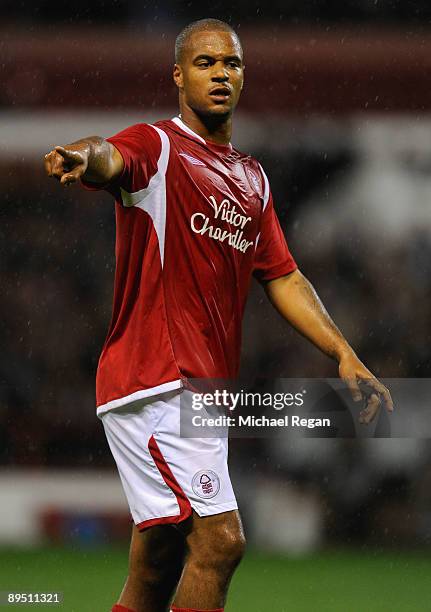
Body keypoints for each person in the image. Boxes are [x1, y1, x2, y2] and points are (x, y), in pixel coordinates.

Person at [44, 18, 393, 612]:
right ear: (178, 75)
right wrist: (85, 154)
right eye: (204, 63)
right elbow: (111, 158)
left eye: (229, 63)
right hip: (156, 376)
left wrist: (342, 351)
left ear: (243, 75)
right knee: (221, 542)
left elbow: (284, 276)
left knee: (155, 565)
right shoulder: (159, 148)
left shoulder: (251, 178)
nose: (219, 74)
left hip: (202, 392)